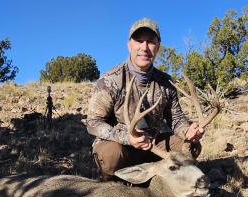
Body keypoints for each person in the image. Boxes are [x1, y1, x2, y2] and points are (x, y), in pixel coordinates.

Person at [87, 18, 204, 181]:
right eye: (139, 41)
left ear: (158, 47)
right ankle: (111, 184)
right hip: (121, 146)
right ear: (129, 45)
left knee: (190, 146)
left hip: (153, 146)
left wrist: (188, 132)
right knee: (110, 156)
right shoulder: (110, 80)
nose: (144, 47)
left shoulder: (166, 82)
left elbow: (176, 120)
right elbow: (93, 123)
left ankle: (165, 186)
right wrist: (128, 137)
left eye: (150, 42)